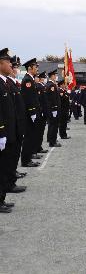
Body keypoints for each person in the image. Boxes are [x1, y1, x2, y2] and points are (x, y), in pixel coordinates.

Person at [0, 48, 19, 212]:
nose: (11, 66)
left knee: (4, 166)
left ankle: (1, 199)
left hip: (8, 132)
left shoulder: (4, 82)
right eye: (8, 62)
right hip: (2, 132)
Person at [7, 56, 27, 184]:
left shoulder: (13, 83)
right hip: (11, 126)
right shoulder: (7, 84)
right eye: (15, 67)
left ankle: (13, 173)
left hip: (17, 124)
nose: (17, 70)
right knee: (9, 155)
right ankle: (10, 179)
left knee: (14, 153)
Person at [20, 58, 42, 167]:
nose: (37, 69)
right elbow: (28, 98)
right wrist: (32, 111)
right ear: (30, 68)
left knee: (32, 135)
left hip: (32, 112)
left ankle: (28, 158)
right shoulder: (27, 80)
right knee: (28, 136)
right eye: (35, 67)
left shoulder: (30, 79)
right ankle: (26, 160)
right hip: (30, 114)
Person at [46, 69, 61, 147]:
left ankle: (52, 139)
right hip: (53, 109)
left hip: (52, 109)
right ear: (52, 76)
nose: (56, 77)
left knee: (52, 125)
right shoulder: (51, 85)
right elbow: (52, 98)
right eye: (55, 75)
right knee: (53, 125)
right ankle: (52, 142)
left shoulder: (50, 84)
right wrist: (54, 108)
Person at [35, 71, 48, 156]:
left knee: (41, 132)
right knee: (38, 132)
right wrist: (42, 110)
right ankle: (36, 148)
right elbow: (40, 100)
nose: (44, 79)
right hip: (41, 111)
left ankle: (39, 147)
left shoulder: (43, 86)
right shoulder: (39, 86)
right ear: (41, 78)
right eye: (43, 77)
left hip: (43, 111)